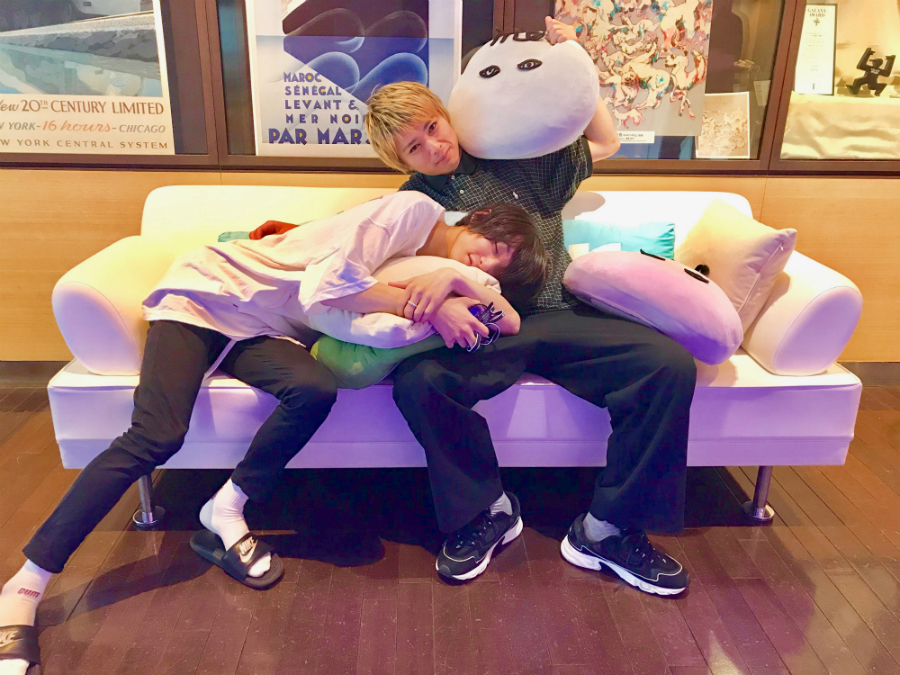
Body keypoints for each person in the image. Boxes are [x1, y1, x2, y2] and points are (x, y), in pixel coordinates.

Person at [0, 192, 545, 674]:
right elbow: (328, 284)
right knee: (157, 436)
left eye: (501, 266)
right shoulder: (414, 210)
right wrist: (428, 304)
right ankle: (25, 586)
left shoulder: (432, 265)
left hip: (261, 327)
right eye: (495, 245)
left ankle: (226, 507)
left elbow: (510, 320)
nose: (488, 262)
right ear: (479, 217)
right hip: (210, 292)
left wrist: (453, 283)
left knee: (315, 389)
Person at [252, 17, 695, 596]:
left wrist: (577, 61)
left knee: (667, 364)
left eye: (432, 128)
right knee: (420, 384)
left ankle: (607, 530)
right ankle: (487, 511)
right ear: (400, 162)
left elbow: (605, 142)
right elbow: (371, 264)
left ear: (446, 114)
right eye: (414, 147)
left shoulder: (521, 157)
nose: (434, 147)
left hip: (558, 310)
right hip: (478, 325)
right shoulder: (412, 201)